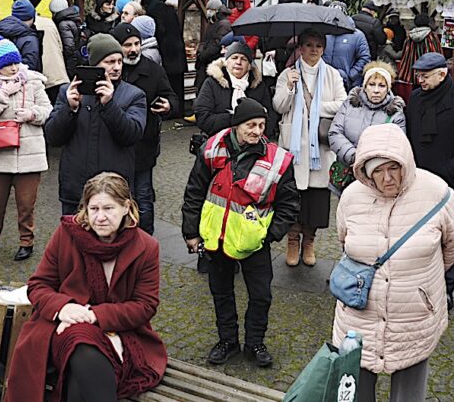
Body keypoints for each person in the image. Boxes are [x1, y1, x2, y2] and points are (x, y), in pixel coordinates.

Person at [333, 124, 454, 402]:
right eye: (378, 171)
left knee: (409, 394)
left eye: (393, 168)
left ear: (406, 161)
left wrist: (420, 282)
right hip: (360, 315)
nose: (387, 178)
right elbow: (344, 241)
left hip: (414, 315)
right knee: (356, 391)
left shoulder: (439, 193)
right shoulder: (351, 197)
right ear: (366, 173)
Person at [5, 173, 166, 402]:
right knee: (80, 341)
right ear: (85, 210)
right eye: (94, 209)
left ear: (126, 207)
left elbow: (145, 305)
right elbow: (38, 285)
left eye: (109, 208)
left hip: (121, 330)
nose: (100, 217)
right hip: (63, 326)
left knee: (79, 367)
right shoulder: (67, 235)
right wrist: (64, 309)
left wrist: (93, 315)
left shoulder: (146, 247)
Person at [181, 99, 299, 368]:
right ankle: (227, 341)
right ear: (236, 126)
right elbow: (194, 192)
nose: (257, 131)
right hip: (216, 239)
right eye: (251, 125)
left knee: (261, 296)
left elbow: (289, 203)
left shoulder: (277, 159)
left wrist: (268, 235)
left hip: (254, 243)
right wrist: (191, 232)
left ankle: (255, 342)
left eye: (261, 125)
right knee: (221, 293)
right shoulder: (211, 151)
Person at [405, 52, 454, 307]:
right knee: (417, 233)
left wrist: (451, 169)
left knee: (450, 234)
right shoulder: (415, 99)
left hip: (450, 181)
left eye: (425, 76)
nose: (420, 80)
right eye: (418, 75)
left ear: (442, 74)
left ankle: (447, 286)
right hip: (418, 179)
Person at [46, 34, 147, 214]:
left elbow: (131, 135)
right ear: (95, 65)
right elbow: (53, 137)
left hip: (114, 191)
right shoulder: (68, 92)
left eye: (119, 61)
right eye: (109, 62)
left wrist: (109, 105)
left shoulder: (134, 95)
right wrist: (70, 109)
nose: (116, 67)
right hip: (75, 190)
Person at [0, 38, 53, 261]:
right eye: (8, 64)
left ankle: (26, 241)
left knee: (26, 204)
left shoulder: (34, 81)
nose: (14, 68)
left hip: (30, 152)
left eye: (16, 63)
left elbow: (48, 109)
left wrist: (32, 114)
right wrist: (3, 93)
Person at [273, 29, 346, 267]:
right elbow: (279, 106)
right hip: (294, 146)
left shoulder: (333, 75)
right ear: (300, 48)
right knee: (293, 195)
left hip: (320, 148)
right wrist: (290, 88)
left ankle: (309, 241)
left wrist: (315, 106)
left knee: (315, 199)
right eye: (308, 45)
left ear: (323, 49)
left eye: (318, 45)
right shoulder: (288, 74)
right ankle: (292, 239)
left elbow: (342, 103)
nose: (313, 50)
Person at [110, 24, 178, 235]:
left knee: (143, 196)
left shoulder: (153, 70)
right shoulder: (110, 70)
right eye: (127, 45)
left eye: (137, 44)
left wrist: (168, 106)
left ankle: (145, 238)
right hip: (114, 145)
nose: (133, 49)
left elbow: (173, 97)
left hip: (143, 144)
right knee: (116, 195)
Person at [328, 61, 407, 173]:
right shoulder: (350, 103)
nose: (376, 90)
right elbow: (335, 132)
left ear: (388, 88)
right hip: (345, 173)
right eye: (371, 84)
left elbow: (396, 146)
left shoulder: (395, 112)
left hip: (375, 176)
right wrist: (353, 156)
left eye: (382, 85)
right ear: (365, 86)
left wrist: (369, 163)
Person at [194, 41, 277, 138]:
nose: (238, 62)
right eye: (234, 58)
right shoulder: (212, 83)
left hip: (254, 140)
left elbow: (270, 117)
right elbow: (202, 117)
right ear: (226, 61)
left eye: (244, 59)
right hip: (218, 139)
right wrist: (237, 119)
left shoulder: (258, 86)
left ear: (249, 65)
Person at [142, 0, 186, 102]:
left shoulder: (154, 12)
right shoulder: (170, 10)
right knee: (178, 85)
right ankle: (179, 109)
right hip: (178, 52)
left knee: (168, 86)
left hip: (166, 54)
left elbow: (159, 31)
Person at [195, 0, 230, 91]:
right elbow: (205, 41)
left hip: (213, 64)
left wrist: (202, 55)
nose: (208, 12)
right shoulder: (214, 23)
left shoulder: (223, 25)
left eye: (211, 10)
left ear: (217, 10)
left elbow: (216, 45)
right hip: (206, 64)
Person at [396, 14, 441, 85]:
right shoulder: (432, 36)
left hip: (413, 71)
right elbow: (436, 54)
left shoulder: (409, 37)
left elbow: (405, 54)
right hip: (428, 71)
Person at [50, 0, 84, 81]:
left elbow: (69, 47)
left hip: (70, 61)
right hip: (75, 58)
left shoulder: (63, 24)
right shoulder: (71, 20)